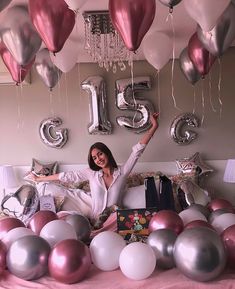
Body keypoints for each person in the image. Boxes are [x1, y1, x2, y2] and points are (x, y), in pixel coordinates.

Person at [28, 112, 159, 226]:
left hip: (116, 221)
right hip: (96, 222)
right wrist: (40, 179)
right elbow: (67, 176)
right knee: (64, 217)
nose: (98, 159)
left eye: (100, 154)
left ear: (107, 153)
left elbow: (137, 151)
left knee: (140, 220)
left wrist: (154, 127)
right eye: (95, 158)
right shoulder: (92, 174)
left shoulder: (122, 172)